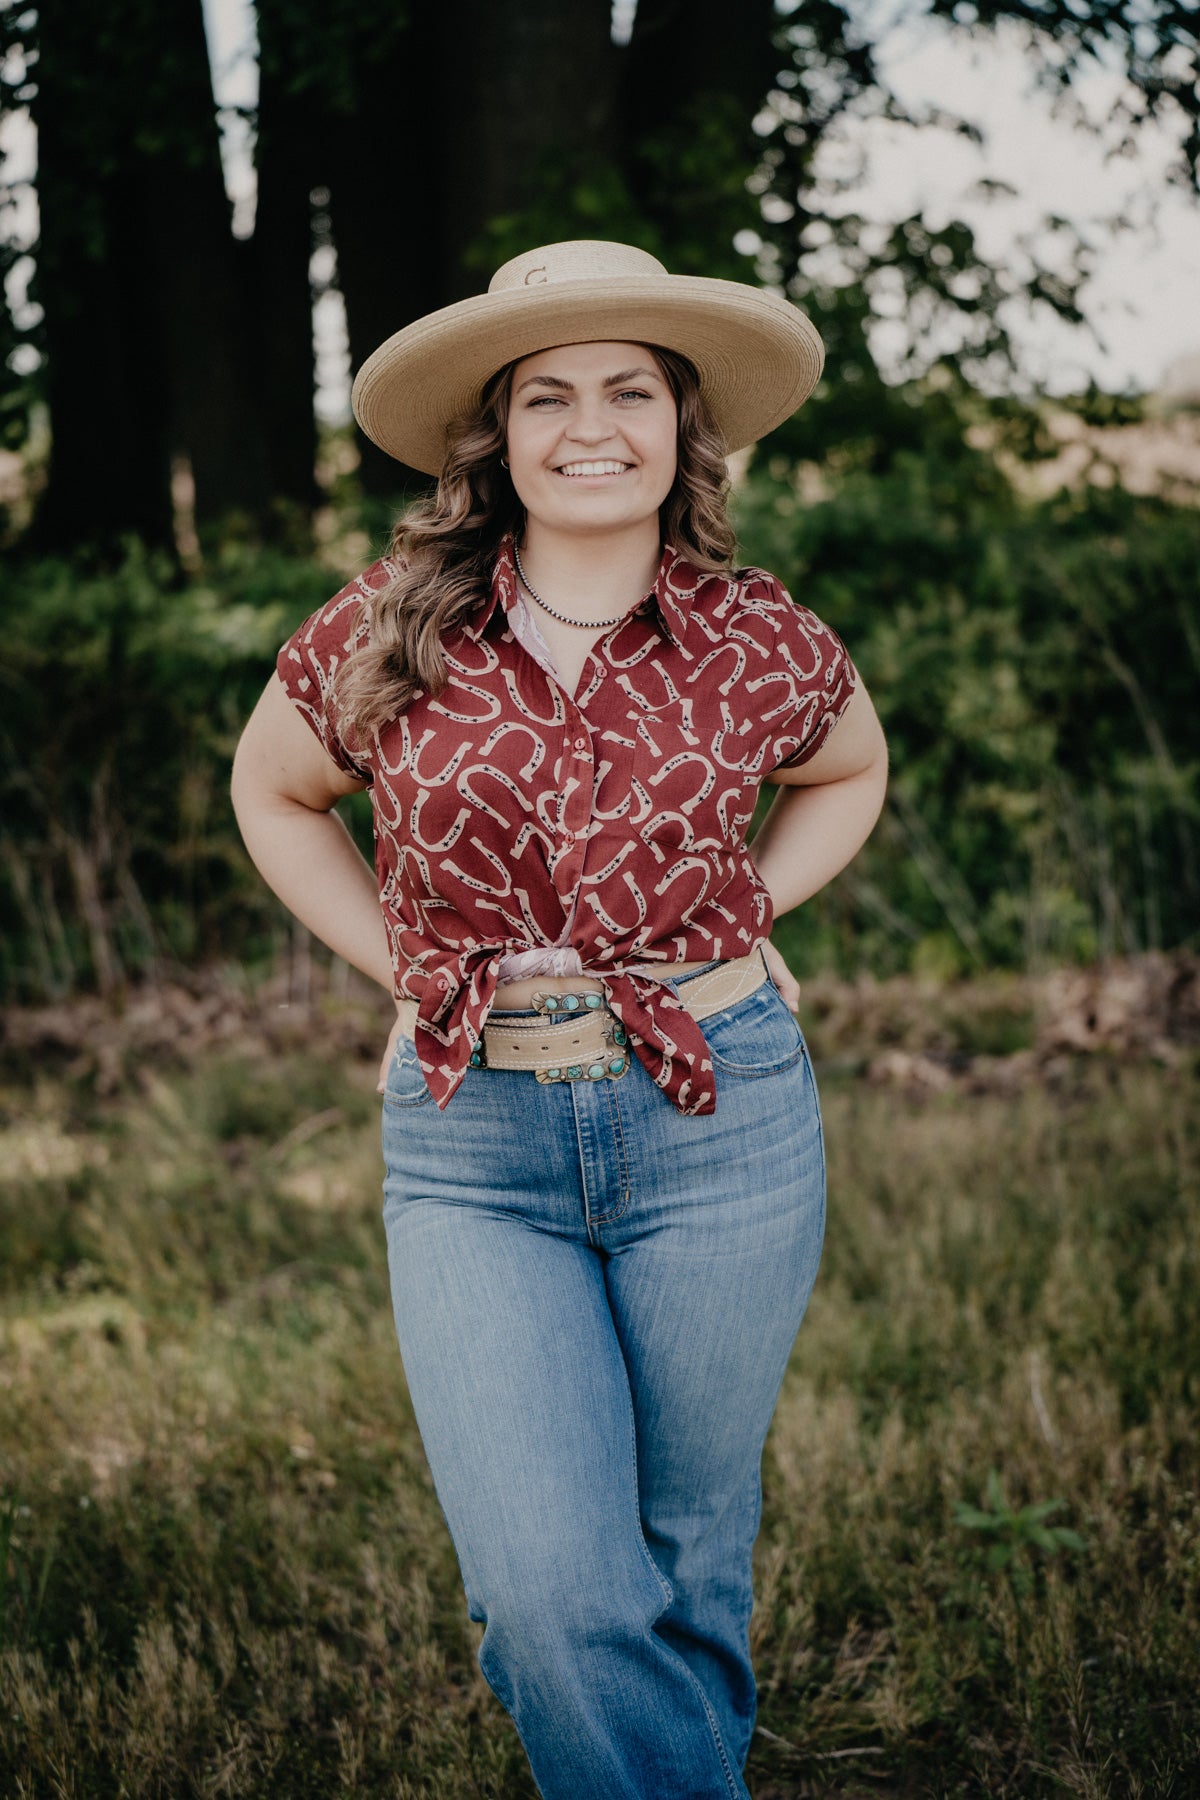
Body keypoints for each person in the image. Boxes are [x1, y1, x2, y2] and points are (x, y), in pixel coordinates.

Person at [231, 238, 888, 1800]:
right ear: (497, 436)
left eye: (629, 391)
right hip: (476, 1141)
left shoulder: (756, 633)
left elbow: (849, 769)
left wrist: (756, 907)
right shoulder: (396, 623)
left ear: (681, 426)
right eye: (547, 396)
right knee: (551, 1591)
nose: (591, 426)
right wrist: (407, 965)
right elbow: (274, 790)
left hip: (720, 1115)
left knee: (680, 1549)